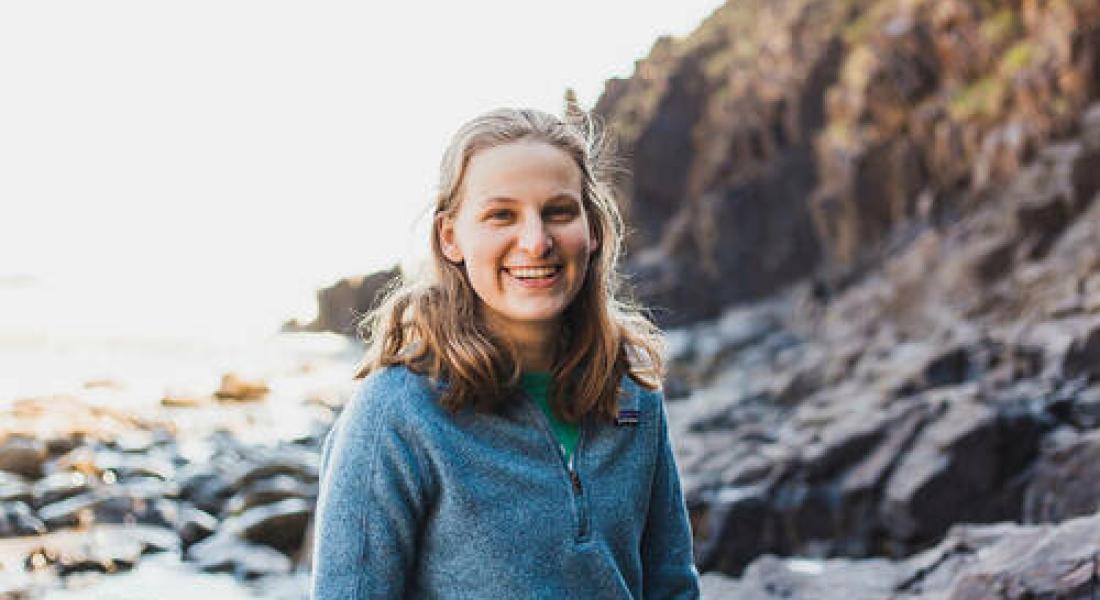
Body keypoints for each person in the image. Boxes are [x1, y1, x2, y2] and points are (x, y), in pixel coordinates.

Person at [310, 107, 701, 599]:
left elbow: (673, 589)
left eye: (559, 211)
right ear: (451, 237)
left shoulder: (632, 397)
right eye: (502, 215)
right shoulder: (396, 411)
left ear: (593, 228)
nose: (536, 241)